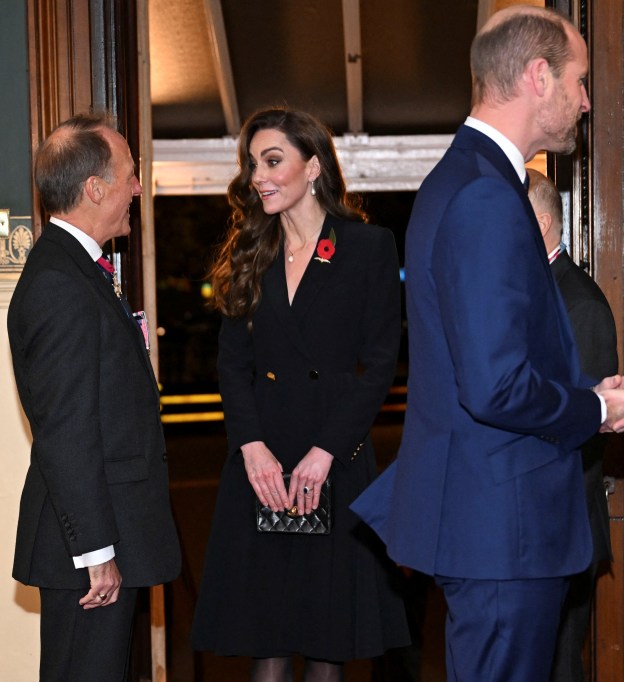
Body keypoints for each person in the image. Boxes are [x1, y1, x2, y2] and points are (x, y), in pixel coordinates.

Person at [351, 6, 624, 681]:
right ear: (538, 76)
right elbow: (494, 385)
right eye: (579, 80)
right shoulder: (486, 195)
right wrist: (596, 412)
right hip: (503, 531)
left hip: (490, 524)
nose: (586, 100)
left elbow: (490, 363)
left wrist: (586, 392)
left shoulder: (466, 179)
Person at [191, 107, 409, 681]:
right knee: (267, 642)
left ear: (312, 166)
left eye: (272, 161)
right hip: (261, 467)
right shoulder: (250, 252)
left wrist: (325, 451)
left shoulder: (367, 247)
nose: (259, 176)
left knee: (325, 646)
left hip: (333, 460)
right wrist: (251, 447)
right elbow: (232, 366)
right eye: (253, 164)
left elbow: (380, 364)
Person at [8, 112, 181, 681]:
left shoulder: (77, 270)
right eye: (130, 174)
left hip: (102, 539)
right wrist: (97, 554)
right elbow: (67, 430)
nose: (137, 186)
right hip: (87, 552)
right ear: (94, 189)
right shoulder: (61, 282)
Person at [526, 168, 617, 682]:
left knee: (559, 667)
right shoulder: (530, 292)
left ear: (540, 223)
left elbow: (585, 424)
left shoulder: (578, 303)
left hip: (561, 527)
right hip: (531, 528)